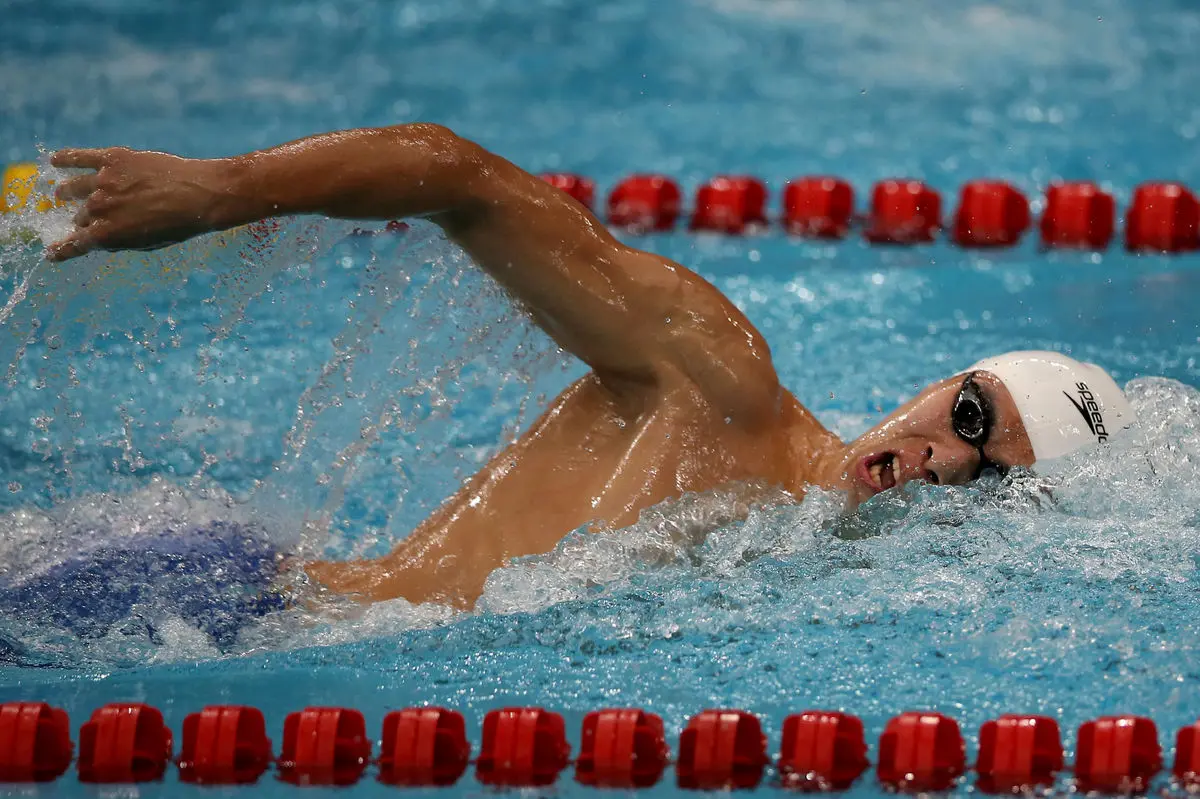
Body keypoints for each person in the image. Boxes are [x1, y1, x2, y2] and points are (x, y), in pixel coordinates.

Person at [46, 123, 1135, 609]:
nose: (944, 458)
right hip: (210, 598)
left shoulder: (809, 578)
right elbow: (453, 172)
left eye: (990, 477)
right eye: (973, 414)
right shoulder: (721, 388)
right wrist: (219, 191)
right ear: (947, 378)